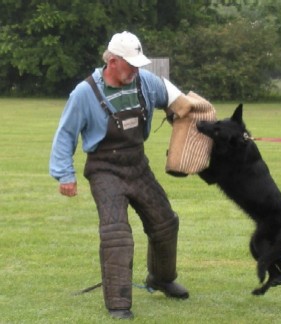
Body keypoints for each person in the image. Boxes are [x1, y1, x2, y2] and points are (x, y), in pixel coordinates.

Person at [49, 31, 189, 320]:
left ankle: (161, 278)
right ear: (112, 61)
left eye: (138, 64)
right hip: (104, 170)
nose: (136, 70)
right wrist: (65, 174)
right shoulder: (84, 93)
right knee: (117, 235)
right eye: (130, 65)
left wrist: (187, 112)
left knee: (165, 222)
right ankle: (118, 304)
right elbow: (65, 134)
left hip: (138, 164)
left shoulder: (145, 82)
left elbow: (177, 100)